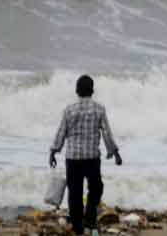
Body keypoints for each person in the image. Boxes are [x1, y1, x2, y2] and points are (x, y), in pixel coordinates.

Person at [49, 75, 123, 236]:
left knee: (74, 193)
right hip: (92, 158)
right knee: (96, 188)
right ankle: (89, 219)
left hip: (73, 159)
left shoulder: (69, 110)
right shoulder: (99, 109)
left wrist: (53, 151)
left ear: (77, 90)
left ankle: (77, 227)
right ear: (92, 90)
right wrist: (114, 152)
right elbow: (107, 133)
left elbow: (61, 133)